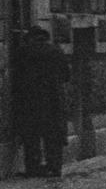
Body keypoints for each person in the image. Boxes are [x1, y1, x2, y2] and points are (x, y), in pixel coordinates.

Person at [14, 24, 70, 177]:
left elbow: (16, 78)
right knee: (53, 136)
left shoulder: (23, 52)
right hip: (53, 100)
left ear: (31, 38)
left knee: (31, 136)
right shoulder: (56, 51)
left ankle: (33, 167)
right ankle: (54, 167)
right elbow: (66, 75)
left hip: (30, 100)